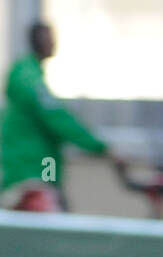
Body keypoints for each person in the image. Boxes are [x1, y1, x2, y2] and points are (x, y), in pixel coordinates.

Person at [1, 21, 122, 211]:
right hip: (32, 169)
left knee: (51, 196)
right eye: (50, 39)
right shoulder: (29, 80)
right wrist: (100, 147)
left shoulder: (29, 75)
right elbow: (58, 119)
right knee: (47, 223)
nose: (54, 44)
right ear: (40, 41)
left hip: (42, 165)